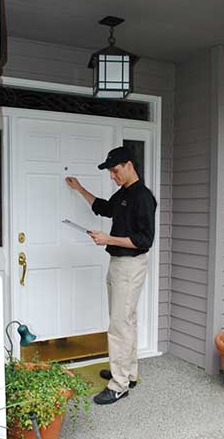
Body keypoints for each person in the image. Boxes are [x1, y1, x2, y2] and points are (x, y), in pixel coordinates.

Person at [66, 146, 157, 405]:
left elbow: (145, 240)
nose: (112, 176)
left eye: (115, 171)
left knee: (119, 324)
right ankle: (128, 372)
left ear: (129, 165)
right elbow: (105, 208)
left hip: (129, 266)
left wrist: (108, 238)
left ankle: (118, 385)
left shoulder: (143, 197)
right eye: (110, 172)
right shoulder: (125, 194)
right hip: (118, 264)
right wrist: (80, 188)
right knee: (126, 320)